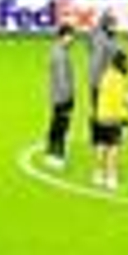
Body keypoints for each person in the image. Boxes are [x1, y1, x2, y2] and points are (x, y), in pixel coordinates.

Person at [92, 50, 128, 191]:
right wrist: (126, 117)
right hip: (113, 118)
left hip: (100, 116)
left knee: (101, 146)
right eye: (126, 62)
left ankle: (97, 174)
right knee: (113, 149)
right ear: (121, 63)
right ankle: (111, 178)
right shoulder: (119, 78)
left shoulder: (106, 75)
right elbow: (120, 100)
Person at [45, 24, 76, 169]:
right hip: (62, 97)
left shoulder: (57, 51)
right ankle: (57, 156)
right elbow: (62, 78)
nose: (72, 39)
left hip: (57, 96)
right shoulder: (60, 54)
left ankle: (51, 152)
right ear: (63, 36)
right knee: (61, 126)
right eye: (70, 36)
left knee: (55, 124)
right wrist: (68, 98)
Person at [86, 12, 118, 107]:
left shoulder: (101, 36)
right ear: (106, 25)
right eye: (112, 25)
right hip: (101, 78)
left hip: (99, 77)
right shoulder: (103, 39)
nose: (114, 27)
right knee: (100, 105)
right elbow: (99, 60)